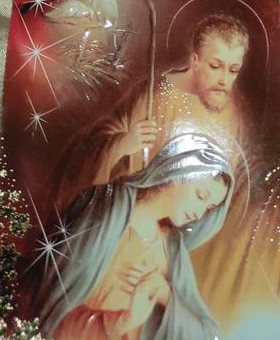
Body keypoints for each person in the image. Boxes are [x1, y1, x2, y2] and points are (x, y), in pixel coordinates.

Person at [54, 13, 280, 334]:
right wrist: (122, 144)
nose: (224, 79)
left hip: (194, 249)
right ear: (195, 60)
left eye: (233, 70)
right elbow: (90, 153)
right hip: (132, 237)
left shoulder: (233, 110)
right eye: (215, 66)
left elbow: (243, 183)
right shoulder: (154, 97)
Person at [31, 134, 233, 340]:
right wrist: (123, 321)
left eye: (209, 208)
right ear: (176, 171)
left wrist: (165, 295)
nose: (199, 213)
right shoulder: (105, 208)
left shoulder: (172, 248)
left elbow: (206, 333)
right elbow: (52, 306)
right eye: (200, 195)